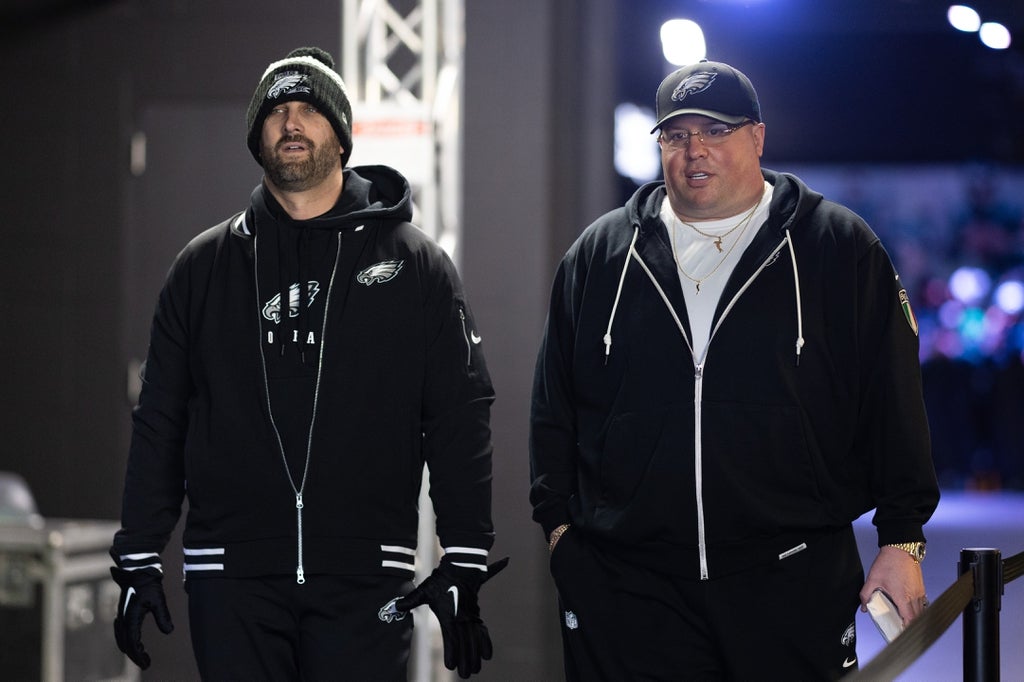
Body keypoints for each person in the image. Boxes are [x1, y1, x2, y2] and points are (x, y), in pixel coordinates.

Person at [529, 60, 939, 680]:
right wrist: (561, 535)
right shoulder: (600, 255)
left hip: (792, 576)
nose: (695, 151)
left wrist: (901, 539)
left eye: (715, 131)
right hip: (629, 588)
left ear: (757, 137)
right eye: (676, 135)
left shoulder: (837, 245)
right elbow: (553, 408)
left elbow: (893, 398)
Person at [110, 46, 505, 681]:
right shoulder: (203, 267)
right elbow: (160, 419)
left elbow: (459, 414)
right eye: (276, 112)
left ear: (341, 134)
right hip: (230, 574)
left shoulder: (414, 265)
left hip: (365, 572)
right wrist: (137, 553)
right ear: (257, 137)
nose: (292, 123)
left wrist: (463, 553)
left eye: (310, 110)